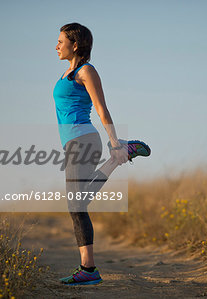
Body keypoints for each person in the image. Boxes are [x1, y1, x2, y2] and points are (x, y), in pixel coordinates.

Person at [53, 22, 150, 285]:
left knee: (76, 206)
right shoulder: (67, 74)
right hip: (75, 142)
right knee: (78, 203)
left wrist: (113, 141)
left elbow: (101, 109)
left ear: (75, 44)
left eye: (61, 41)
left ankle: (89, 269)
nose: (56, 46)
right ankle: (120, 157)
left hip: (84, 140)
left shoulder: (86, 71)